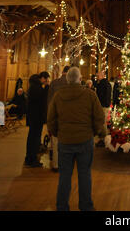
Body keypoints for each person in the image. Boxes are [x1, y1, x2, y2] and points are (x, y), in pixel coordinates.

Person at [47, 66, 105, 212]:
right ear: (80, 79)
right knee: (84, 174)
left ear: (67, 79)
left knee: (64, 175)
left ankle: (61, 206)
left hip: (65, 141)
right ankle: (86, 206)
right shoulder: (90, 95)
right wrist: (94, 132)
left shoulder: (59, 95)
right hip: (85, 140)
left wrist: (57, 133)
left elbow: (51, 118)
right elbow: (99, 117)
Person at [47, 66, 70, 171]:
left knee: (55, 141)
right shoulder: (72, 84)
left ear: (62, 72)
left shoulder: (54, 83)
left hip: (55, 116)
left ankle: (56, 165)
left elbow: (49, 102)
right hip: (68, 117)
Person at [24, 74, 48, 167]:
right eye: (44, 79)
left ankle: (29, 158)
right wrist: (46, 88)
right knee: (35, 138)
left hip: (32, 117)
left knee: (31, 138)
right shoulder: (37, 88)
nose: (45, 81)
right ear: (40, 79)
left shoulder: (32, 87)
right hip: (36, 118)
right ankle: (32, 159)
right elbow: (43, 100)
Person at [95, 70, 111, 147]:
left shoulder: (101, 84)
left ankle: (103, 139)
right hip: (106, 105)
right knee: (103, 122)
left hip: (102, 105)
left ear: (102, 75)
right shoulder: (107, 83)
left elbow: (100, 96)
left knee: (102, 122)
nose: (97, 77)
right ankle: (104, 138)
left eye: (98, 76)